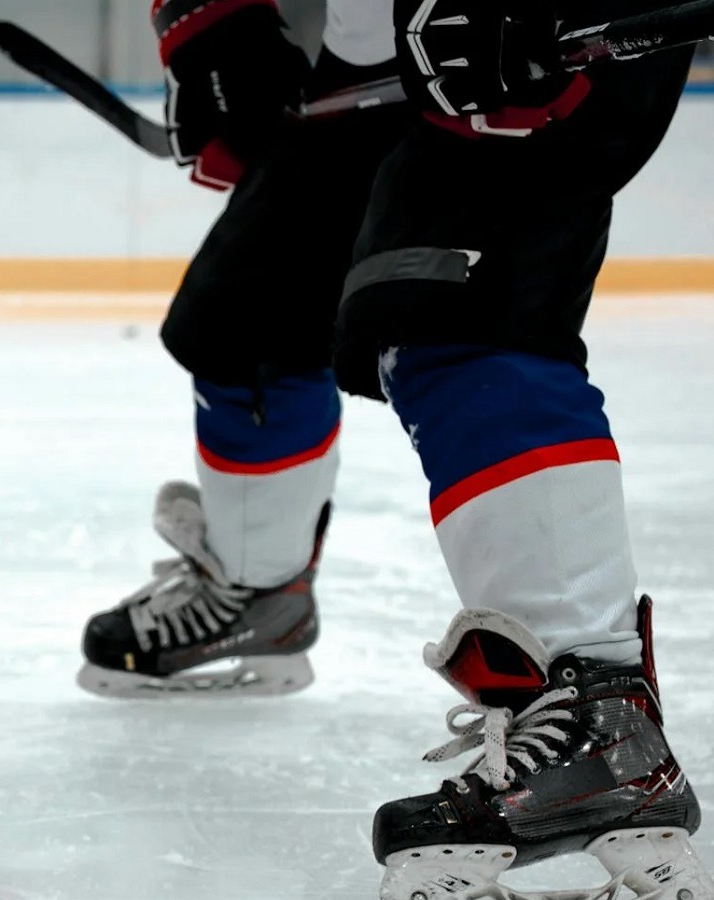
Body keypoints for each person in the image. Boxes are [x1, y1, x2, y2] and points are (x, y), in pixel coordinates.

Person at [79, 0, 714, 895]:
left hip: (553, 25)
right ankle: (256, 594)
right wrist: (217, 32)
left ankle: (601, 727)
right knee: (250, 312)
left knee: (455, 317)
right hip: (382, 41)